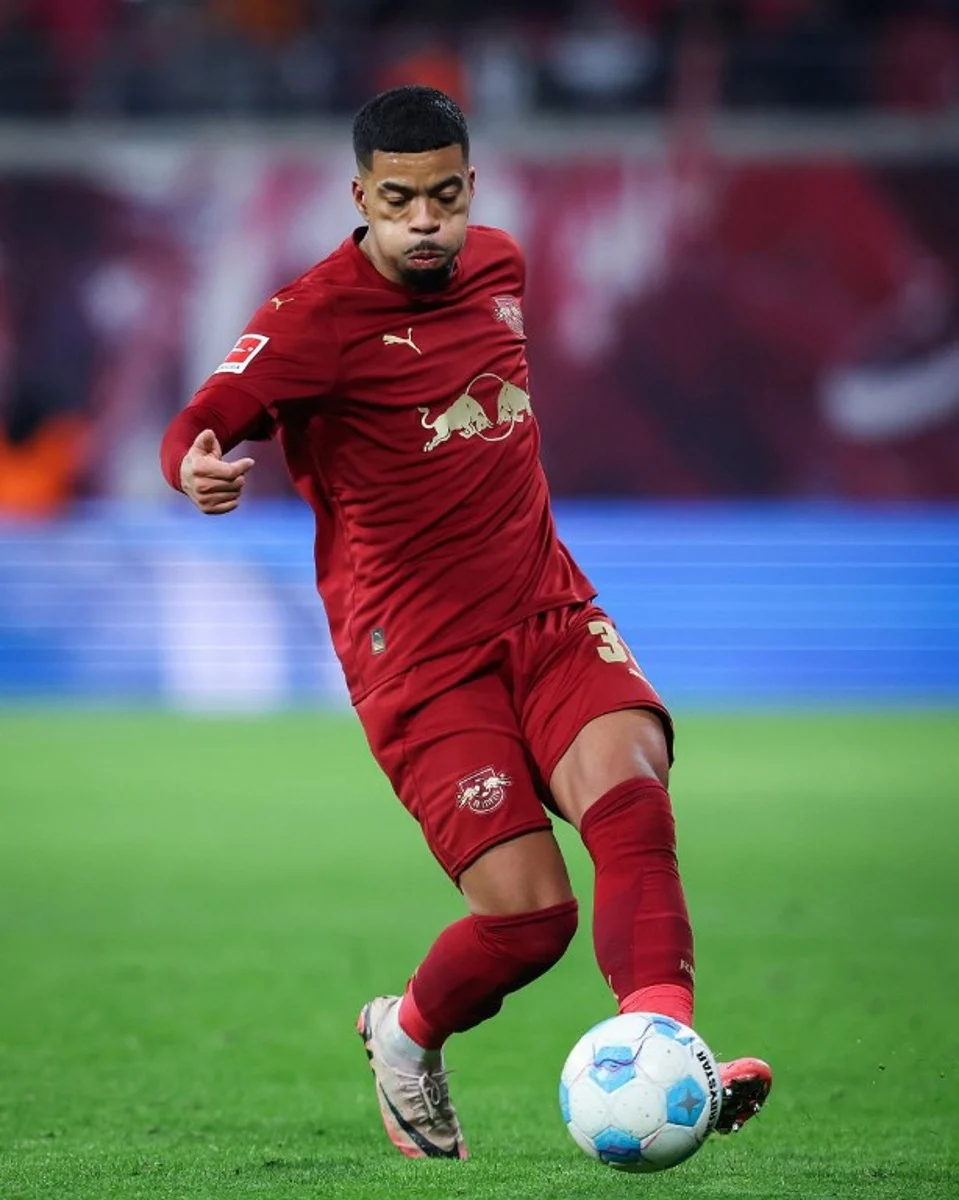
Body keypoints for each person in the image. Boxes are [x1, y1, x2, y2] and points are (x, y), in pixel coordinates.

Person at [159, 85, 772, 1160]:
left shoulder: (500, 265)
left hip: (544, 607)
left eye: (444, 195)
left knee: (631, 791)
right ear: (360, 198)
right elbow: (202, 418)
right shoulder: (310, 320)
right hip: (420, 662)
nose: (426, 221)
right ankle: (404, 1034)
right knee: (532, 920)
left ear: (470, 189)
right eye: (400, 202)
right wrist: (196, 467)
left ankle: (669, 1044)